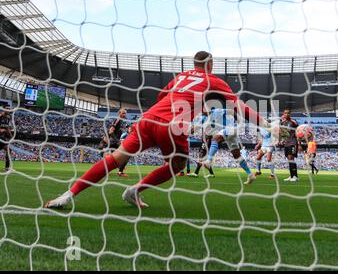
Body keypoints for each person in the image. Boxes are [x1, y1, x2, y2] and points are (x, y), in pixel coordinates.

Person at [44, 51, 268, 209]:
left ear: (194, 63)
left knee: (116, 157)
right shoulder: (213, 80)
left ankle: (67, 195)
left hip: (148, 118)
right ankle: (135, 190)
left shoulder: (181, 76)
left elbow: (162, 96)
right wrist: (266, 125)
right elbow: (240, 107)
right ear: (210, 65)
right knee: (177, 165)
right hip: (172, 125)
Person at [202, 107, 256, 185]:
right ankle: (250, 175)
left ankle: (209, 161)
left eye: (202, 111)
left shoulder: (217, 111)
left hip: (231, 128)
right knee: (237, 156)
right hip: (228, 133)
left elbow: (230, 111)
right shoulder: (208, 119)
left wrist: (239, 121)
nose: (202, 113)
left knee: (215, 139)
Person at [99, 108, 129, 177]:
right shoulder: (117, 120)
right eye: (123, 113)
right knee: (125, 154)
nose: (124, 114)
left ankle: (119, 170)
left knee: (125, 155)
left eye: (125, 113)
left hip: (113, 142)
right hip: (109, 141)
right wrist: (117, 140)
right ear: (119, 113)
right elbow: (111, 131)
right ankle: (116, 170)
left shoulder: (122, 121)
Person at [188, 112, 215, 178]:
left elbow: (196, 127)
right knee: (203, 157)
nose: (202, 112)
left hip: (207, 140)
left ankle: (196, 173)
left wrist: (191, 131)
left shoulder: (206, 119)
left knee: (201, 155)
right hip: (206, 139)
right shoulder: (210, 119)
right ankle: (211, 173)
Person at [280, 109, 299, 182]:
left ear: (290, 114)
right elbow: (283, 133)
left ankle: (295, 176)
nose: (286, 114)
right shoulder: (283, 123)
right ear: (283, 114)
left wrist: (299, 143)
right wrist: (282, 140)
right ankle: (292, 176)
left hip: (293, 142)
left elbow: (298, 128)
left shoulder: (293, 121)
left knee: (291, 158)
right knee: (289, 159)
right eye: (285, 113)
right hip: (287, 143)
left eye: (288, 113)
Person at [0, 106, 12, 171]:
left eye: (9, 109)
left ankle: (7, 168)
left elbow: (7, 128)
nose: (8, 110)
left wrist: (11, 136)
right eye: (7, 108)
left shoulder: (8, 118)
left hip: (2, 139)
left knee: (9, 150)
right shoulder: (0, 116)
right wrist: (1, 130)